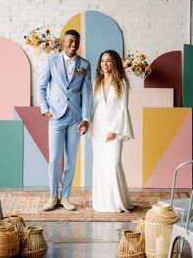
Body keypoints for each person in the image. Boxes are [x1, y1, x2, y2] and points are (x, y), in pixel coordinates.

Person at [37, 29, 91, 211]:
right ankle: (53, 196)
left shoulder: (85, 64)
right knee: (54, 159)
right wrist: (45, 110)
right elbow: (41, 86)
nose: (73, 45)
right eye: (70, 41)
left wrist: (85, 117)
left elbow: (86, 93)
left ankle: (66, 197)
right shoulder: (51, 60)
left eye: (76, 42)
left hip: (75, 118)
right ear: (63, 41)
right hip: (56, 116)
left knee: (71, 160)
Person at [90, 49, 134, 212]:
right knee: (100, 165)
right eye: (102, 60)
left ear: (114, 62)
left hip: (114, 128)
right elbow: (93, 107)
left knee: (114, 163)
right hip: (98, 128)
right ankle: (102, 202)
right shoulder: (96, 82)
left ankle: (118, 201)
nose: (105, 63)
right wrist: (87, 123)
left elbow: (124, 108)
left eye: (108, 60)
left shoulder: (122, 82)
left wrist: (114, 130)